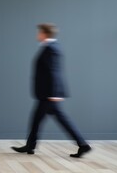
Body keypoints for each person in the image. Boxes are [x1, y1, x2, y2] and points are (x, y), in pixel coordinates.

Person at [11, 23, 92, 158]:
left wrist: (54, 94)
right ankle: (30, 146)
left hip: (49, 94)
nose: (37, 35)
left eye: (39, 32)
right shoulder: (49, 47)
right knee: (37, 120)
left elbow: (54, 72)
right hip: (46, 94)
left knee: (59, 120)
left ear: (44, 34)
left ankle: (83, 145)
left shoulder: (52, 49)